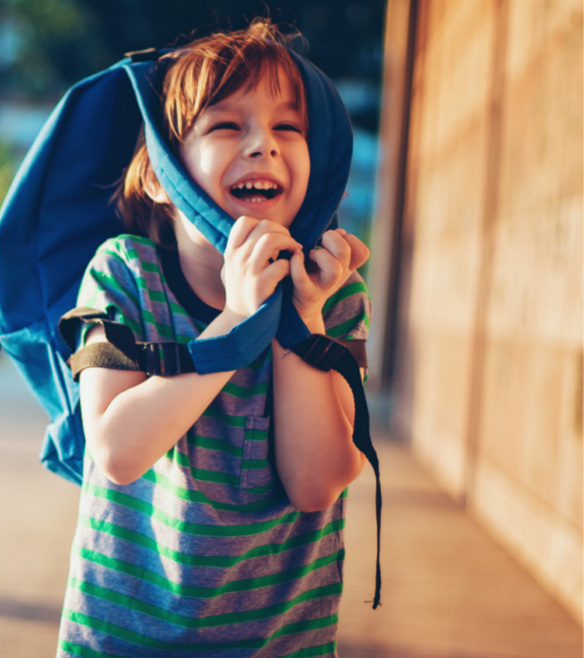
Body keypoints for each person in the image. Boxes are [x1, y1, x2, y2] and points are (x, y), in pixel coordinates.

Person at [57, 19, 372, 658]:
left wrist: (300, 319)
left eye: (289, 127)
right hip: (125, 640)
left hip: (282, 642)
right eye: (227, 126)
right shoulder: (125, 273)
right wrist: (234, 321)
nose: (265, 145)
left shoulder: (333, 294)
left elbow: (317, 483)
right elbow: (116, 451)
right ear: (159, 173)